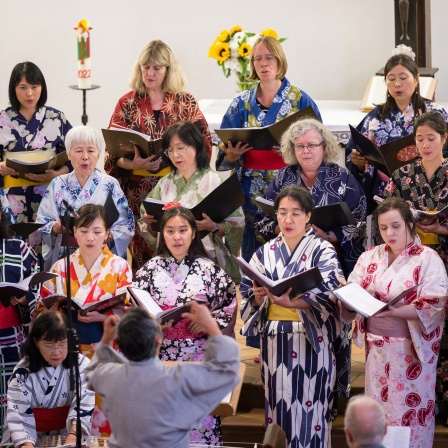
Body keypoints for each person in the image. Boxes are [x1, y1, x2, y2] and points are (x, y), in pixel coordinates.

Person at [240, 185, 342, 448]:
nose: (288, 220)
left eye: (296, 213)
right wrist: (260, 298)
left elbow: (332, 291)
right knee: (278, 409)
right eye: (282, 213)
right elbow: (247, 291)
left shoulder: (323, 250)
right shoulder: (264, 252)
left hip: (311, 342)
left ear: (309, 216)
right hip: (275, 343)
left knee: (313, 408)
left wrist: (296, 302)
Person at [341, 197, 447, 448]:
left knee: (410, 413)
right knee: (378, 411)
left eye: (396, 226)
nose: (389, 233)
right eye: (384, 227)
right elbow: (354, 287)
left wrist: (397, 312)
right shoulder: (370, 256)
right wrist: (347, 298)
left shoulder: (427, 258)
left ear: (410, 224)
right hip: (376, 350)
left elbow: (436, 302)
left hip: (410, 351)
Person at [134, 205, 237, 445]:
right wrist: (152, 327)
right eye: (170, 231)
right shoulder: (148, 271)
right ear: (162, 234)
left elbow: (228, 307)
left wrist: (208, 324)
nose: (177, 237)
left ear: (193, 233)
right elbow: (136, 312)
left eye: (183, 230)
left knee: (201, 424)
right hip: (161, 356)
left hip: (200, 355)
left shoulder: (211, 271)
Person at [104, 39, 211, 271]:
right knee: (144, 253)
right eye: (145, 67)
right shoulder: (126, 103)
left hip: (179, 187)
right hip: (138, 189)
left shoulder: (185, 101)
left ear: (168, 70)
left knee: (181, 245)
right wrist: (132, 163)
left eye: (157, 68)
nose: (149, 73)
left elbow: (204, 143)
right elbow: (112, 154)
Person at [216, 35, 322, 263]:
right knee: (252, 248)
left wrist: (295, 154)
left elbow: (319, 144)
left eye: (269, 58)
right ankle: (253, 294)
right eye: (257, 59)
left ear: (279, 61)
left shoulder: (300, 100)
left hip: (290, 184)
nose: (263, 64)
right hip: (249, 187)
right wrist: (232, 155)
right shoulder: (240, 103)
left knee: (290, 243)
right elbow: (224, 148)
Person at [85, 302, 240, 448]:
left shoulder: (111, 376)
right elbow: (227, 370)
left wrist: (106, 338)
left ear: (120, 342)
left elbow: (93, 371)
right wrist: (210, 325)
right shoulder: (176, 378)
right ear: (159, 339)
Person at [39, 204, 132, 436]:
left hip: (107, 349)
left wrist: (103, 315)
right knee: (69, 416)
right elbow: (42, 310)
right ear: (74, 233)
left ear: (108, 234)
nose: (90, 237)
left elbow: (132, 312)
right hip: (68, 351)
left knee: (106, 416)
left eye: (98, 231)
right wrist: (55, 309)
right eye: (83, 230)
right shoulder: (60, 267)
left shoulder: (120, 266)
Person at [383, 110, 448, 423]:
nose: (425, 144)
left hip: (446, 254)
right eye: (419, 139)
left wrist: (441, 230)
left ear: (444, 139)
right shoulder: (403, 174)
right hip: (415, 262)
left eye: (431, 138)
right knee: (418, 328)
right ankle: (419, 399)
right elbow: (389, 214)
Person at [256, 117, 366, 276]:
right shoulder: (282, 178)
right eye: (300, 146)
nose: (305, 151)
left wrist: (328, 236)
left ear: (324, 147)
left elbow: (360, 222)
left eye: (312, 145)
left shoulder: (342, 177)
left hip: (332, 256)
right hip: (289, 257)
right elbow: (263, 220)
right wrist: (287, 228)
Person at [346, 50, 448, 215]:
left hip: (428, 189)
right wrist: (359, 164)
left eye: (403, 78)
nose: (397, 84)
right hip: (386, 192)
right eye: (391, 79)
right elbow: (356, 154)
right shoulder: (374, 118)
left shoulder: (435, 113)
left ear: (416, 79)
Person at [140, 121, 244, 283]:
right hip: (169, 259)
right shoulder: (164, 184)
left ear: (196, 147)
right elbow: (148, 225)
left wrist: (213, 227)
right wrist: (150, 222)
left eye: (180, 148)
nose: (175, 155)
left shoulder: (215, 181)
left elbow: (237, 224)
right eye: (170, 150)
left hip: (206, 261)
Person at [36, 126, 134, 270]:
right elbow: (41, 222)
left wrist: (108, 235)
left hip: (101, 256)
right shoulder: (57, 184)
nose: (85, 156)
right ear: (69, 155)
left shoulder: (110, 184)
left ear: (98, 154)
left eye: (91, 150)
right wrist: (54, 228)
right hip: (66, 259)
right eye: (79, 150)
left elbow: (126, 224)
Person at [0, 62, 72, 243]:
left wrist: (57, 173)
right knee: (16, 246)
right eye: (23, 87)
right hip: (12, 199)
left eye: (34, 86)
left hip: (49, 195)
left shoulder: (56, 118)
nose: (29, 93)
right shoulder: (2, 119)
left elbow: (73, 156)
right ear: (13, 89)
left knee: (48, 246)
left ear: (42, 87)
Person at [1, 311, 94, 447]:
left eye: (62, 344)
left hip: (67, 434)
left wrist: (71, 442)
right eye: (49, 345)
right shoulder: (22, 372)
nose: (56, 352)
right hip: (26, 438)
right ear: (36, 341)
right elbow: (19, 414)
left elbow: (83, 408)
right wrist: (27, 445)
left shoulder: (83, 366)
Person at [0, 208, 38, 435]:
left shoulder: (18, 248)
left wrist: (25, 299)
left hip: (10, 339)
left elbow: (38, 286)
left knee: (12, 402)